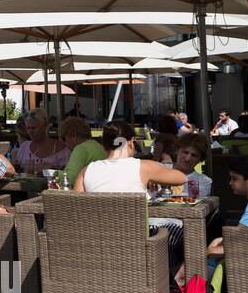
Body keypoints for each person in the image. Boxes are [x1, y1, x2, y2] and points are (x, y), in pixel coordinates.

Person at [76, 120, 189, 280]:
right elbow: (181, 178)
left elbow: (76, 208)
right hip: (137, 246)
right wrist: (154, 176)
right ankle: (169, 284)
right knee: (181, 231)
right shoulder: (143, 166)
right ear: (130, 143)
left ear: (104, 145)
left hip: (96, 247)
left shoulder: (86, 171)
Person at [12, 108, 69, 174]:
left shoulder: (61, 149)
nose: (31, 131)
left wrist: (53, 169)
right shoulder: (24, 148)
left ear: (44, 126)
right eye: (28, 128)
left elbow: (69, 175)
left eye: (34, 128)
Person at [61, 116, 106, 190]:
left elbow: (70, 178)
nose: (63, 143)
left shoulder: (81, 149)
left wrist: (49, 173)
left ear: (73, 136)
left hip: (88, 196)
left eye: (63, 138)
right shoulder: (98, 146)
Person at [173, 132, 213, 200]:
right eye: (185, 152)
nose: (188, 159)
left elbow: (193, 202)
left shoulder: (203, 181)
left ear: (200, 160)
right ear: (177, 150)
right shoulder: (160, 170)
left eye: (194, 155)